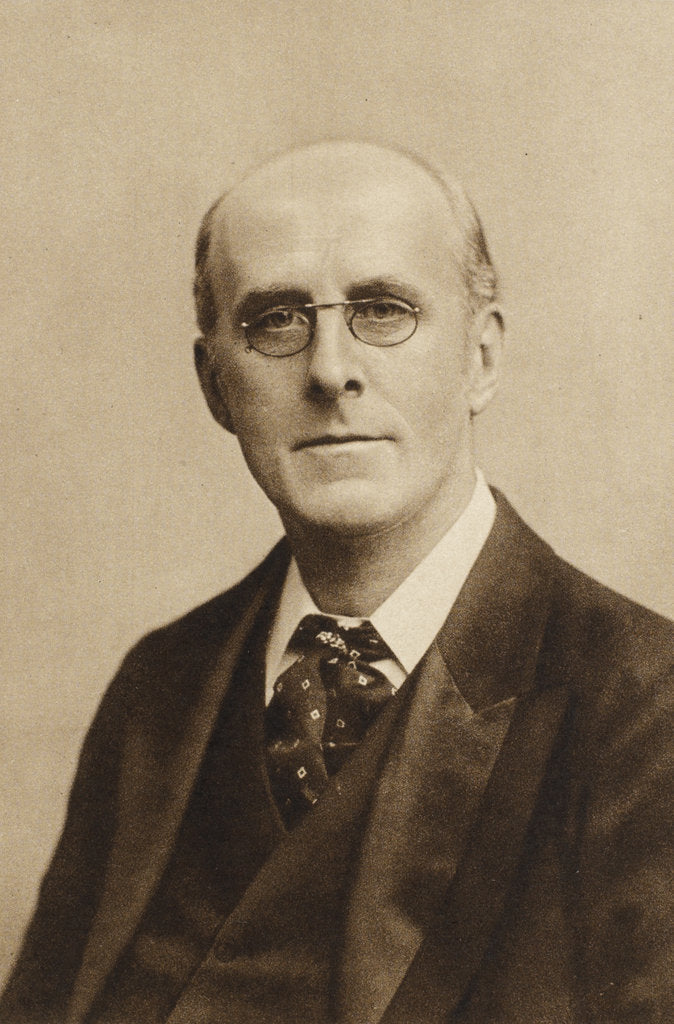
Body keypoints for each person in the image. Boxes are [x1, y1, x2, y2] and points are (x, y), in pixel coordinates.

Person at [1, 141, 672, 1024]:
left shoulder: (645, 705)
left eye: (383, 310)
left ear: (480, 358)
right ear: (215, 386)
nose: (328, 370)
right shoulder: (158, 689)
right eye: (276, 320)